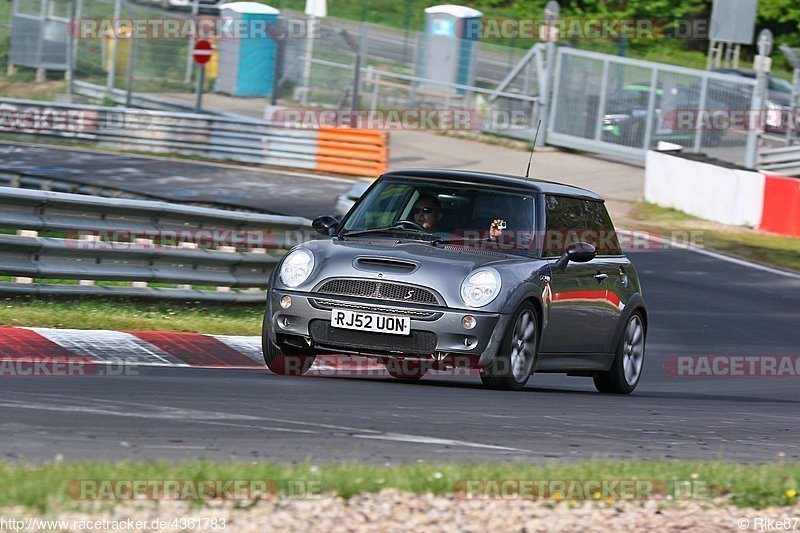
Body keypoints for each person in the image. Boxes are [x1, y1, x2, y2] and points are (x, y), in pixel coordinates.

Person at [411, 194, 506, 238]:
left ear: (439, 216)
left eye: (426, 210)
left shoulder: (449, 240)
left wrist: (493, 238)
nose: (420, 215)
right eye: (417, 211)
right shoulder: (401, 233)